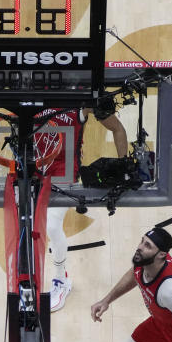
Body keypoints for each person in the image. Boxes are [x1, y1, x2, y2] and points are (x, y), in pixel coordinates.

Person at [37, 105, 128, 312]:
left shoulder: (79, 102)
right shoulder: (30, 93)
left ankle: (61, 280)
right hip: (34, 168)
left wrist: (124, 168)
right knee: (24, 225)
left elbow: (118, 128)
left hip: (64, 173)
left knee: (51, 226)